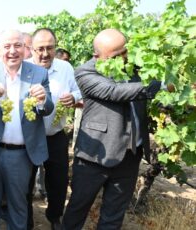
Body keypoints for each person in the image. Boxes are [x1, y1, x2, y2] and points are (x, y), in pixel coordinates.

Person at [62, 29, 167, 229]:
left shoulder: (136, 66)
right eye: (116, 56)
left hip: (130, 154)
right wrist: (160, 86)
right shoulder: (86, 72)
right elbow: (114, 91)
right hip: (95, 156)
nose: (123, 58)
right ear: (97, 56)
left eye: (124, 52)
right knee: (77, 210)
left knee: (113, 216)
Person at [0, 29, 54, 230]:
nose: (12, 51)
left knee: (18, 207)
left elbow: (48, 108)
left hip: (21, 155)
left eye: (17, 45)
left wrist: (43, 99)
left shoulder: (38, 73)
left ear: (25, 49)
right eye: (7, 46)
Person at [26, 28, 81, 230]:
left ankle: (55, 216)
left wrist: (74, 98)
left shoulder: (65, 68)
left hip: (55, 135)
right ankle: (26, 221)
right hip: (28, 137)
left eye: (49, 48)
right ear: (31, 49)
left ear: (55, 47)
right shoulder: (24, 68)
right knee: (26, 181)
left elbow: (79, 91)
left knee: (58, 181)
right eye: (40, 49)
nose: (44, 53)